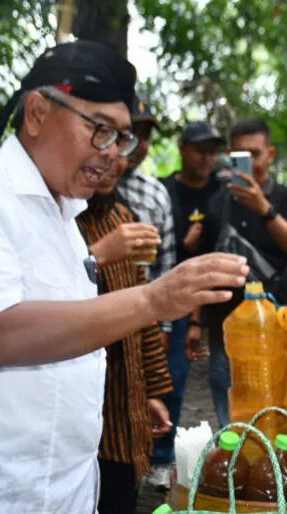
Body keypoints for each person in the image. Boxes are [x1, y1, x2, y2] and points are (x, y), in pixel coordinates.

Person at [0, 41, 249, 514]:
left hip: (65, 495)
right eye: (100, 129)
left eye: (121, 138)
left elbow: (76, 338)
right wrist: (153, 300)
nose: (113, 154)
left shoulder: (66, 219)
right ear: (37, 113)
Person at [77, 136, 173, 513]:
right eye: (102, 138)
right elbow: (39, 304)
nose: (113, 159)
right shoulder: (60, 223)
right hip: (81, 419)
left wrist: (151, 392)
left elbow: (142, 311)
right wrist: (97, 256)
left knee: (122, 498)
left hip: (124, 413)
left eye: (121, 145)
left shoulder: (124, 218)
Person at [198, 117, 287, 428]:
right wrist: (195, 322)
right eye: (240, 156)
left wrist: (264, 208)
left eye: (255, 155)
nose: (249, 163)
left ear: (270, 154)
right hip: (225, 328)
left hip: (278, 322)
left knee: (282, 411)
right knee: (233, 415)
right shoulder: (216, 203)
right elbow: (202, 264)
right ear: (230, 155)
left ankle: (283, 459)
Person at [149, 121, 225, 489]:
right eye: (200, 150)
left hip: (207, 300)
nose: (207, 158)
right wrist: (185, 245)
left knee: (176, 381)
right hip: (162, 298)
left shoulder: (222, 192)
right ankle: (141, 455)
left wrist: (197, 320)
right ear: (182, 149)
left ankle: (163, 458)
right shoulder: (163, 191)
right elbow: (160, 253)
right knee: (152, 381)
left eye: (213, 151)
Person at [116, 99, 175, 349]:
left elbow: (165, 263)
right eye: (130, 133)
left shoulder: (156, 193)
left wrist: (164, 326)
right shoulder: (84, 186)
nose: (137, 144)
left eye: (145, 137)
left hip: (144, 319)